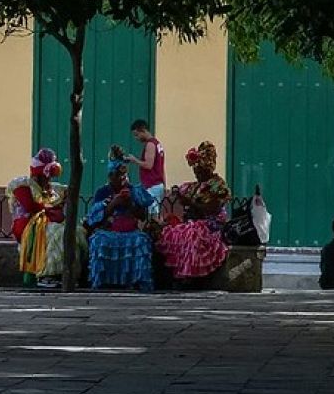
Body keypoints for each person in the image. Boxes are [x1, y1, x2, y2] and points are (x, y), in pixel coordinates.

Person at [6, 148, 85, 287]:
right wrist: (51, 209)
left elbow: (64, 198)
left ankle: (71, 273)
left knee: (77, 232)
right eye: (46, 176)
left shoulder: (54, 190)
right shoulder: (24, 186)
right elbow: (31, 207)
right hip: (30, 224)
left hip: (51, 221)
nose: (48, 179)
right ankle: (47, 275)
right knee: (58, 234)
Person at [157, 141, 232, 280]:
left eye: (200, 171)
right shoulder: (194, 186)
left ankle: (190, 276)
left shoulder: (218, 185)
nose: (197, 174)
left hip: (212, 225)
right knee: (171, 233)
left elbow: (211, 209)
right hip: (194, 222)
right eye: (195, 171)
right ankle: (172, 274)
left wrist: (191, 203)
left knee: (192, 234)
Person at [86, 149, 155, 291]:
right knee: (99, 241)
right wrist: (113, 203)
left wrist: (130, 204)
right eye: (118, 175)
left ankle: (137, 281)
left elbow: (142, 215)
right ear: (111, 176)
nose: (122, 178)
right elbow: (95, 219)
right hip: (109, 230)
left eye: (124, 174)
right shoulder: (102, 192)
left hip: (130, 230)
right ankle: (104, 281)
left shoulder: (134, 191)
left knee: (141, 240)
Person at [123, 119, 165, 216]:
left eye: (136, 135)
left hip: (152, 185)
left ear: (143, 130)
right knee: (156, 213)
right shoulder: (157, 144)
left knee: (152, 215)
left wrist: (135, 160)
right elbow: (161, 167)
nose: (136, 138)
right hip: (158, 184)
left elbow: (148, 165)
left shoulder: (150, 144)